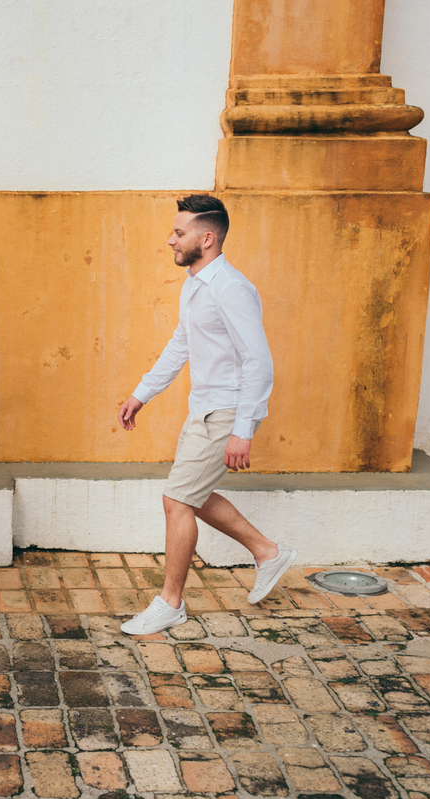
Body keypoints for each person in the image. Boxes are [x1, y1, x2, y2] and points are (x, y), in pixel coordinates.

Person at [117, 195, 296, 635]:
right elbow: (182, 343)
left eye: (179, 234)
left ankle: (170, 603)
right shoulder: (196, 284)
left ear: (207, 238)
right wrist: (143, 393)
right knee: (190, 494)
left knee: (177, 500)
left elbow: (258, 361)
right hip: (205, 408)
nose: (170, 241)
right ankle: (268, 552)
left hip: (226, 410)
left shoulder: (230, 288)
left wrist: (243, 430)